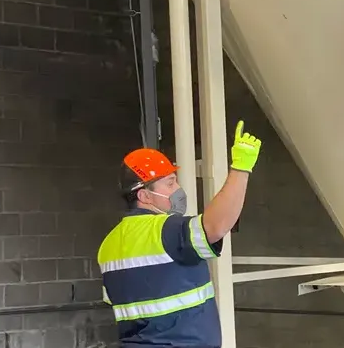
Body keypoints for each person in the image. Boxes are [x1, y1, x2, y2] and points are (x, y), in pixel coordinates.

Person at [98, 120, 262, 348]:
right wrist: (241, 168)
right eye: (170, 183)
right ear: (144, 196)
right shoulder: (166, 230)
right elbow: (215, 227)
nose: (178, 190)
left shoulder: (108, 246)